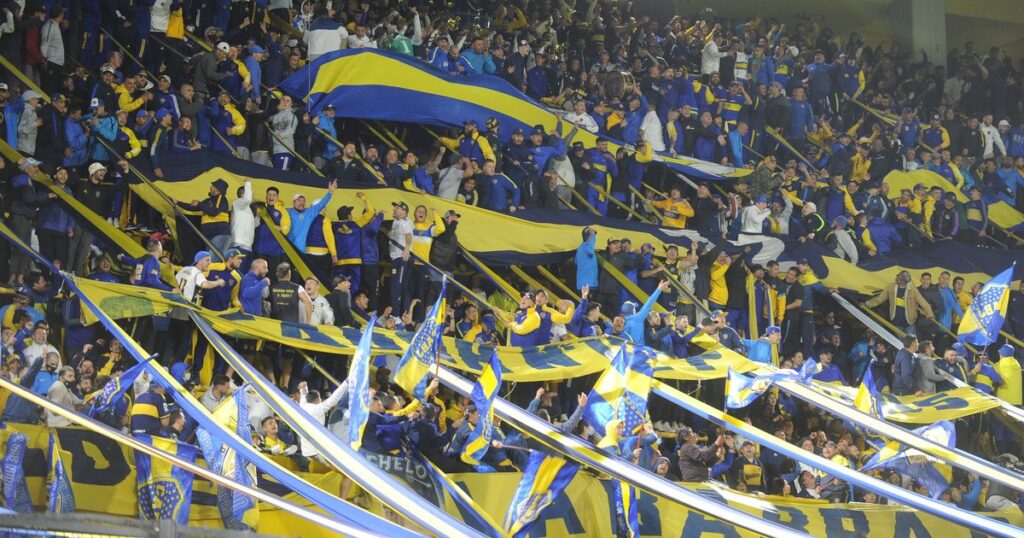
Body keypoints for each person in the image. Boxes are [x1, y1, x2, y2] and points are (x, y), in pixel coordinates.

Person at [864, 271, 935, 336]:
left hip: (909, 324)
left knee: (911, 343)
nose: (896, 278)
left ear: (903, 280)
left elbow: (924, 304)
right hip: (896, 323)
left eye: (898, 277)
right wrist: (867, 304)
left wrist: (930, 315)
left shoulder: (913, 290)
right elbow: (880, 299)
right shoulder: (891, 287)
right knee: (899, 344)